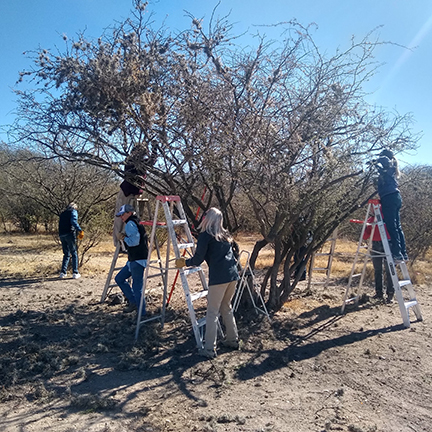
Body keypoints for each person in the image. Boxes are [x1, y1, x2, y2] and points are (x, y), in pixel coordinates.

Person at [175, 207, 240, 359]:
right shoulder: (224, 235)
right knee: (226, 307)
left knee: (212, 312)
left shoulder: (206, 235)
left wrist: (184, 262)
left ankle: (209, 348)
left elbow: (198, 259)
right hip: (232, 276)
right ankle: (232, 340)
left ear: (207, 218)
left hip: (219, 278)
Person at [113, 145, 157, 248]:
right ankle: (118, 243)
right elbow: (149, 163)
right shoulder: (131, 161)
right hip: (126, 193)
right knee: (121, 217)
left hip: (134, 194)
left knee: (130, 219)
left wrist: (155, 149)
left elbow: (150, 162)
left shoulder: (139, 162)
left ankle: (126, 242)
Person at [114, 204, 149, 313]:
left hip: (137, 259)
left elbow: (134, 242)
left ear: (129, 213)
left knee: (137, 287)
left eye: (123, 214)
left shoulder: (130, 224)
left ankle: (141, 313)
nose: (121, 217)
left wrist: (124, 238)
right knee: (119, 278)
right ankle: (134, 302)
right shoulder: (137, 222)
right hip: (135, 258)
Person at [375, 149, 408, 264]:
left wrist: (374, 161)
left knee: (391, 226)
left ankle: (397, 254)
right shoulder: (391, 169)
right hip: (396, 197)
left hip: (389, 198)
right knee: (397, 226)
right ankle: (403, 253)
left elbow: (383, 160)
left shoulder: (388, 164)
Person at [363, 215, 394, 303]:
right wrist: (366, 226)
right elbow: (365, 236)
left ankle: (390, 294)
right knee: (377, 269)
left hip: (387, 243)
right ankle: (379, 293)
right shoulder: (370, 220)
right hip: (375, 244)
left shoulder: (386, 217)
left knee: (389, 270)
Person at [58, 202, 83, 279]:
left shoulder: (63, 213)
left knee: (66, 253)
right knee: (74, 252)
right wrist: (80, 230)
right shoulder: (73, 212)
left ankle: (63, 272)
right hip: (69, 233)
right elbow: (73, 221)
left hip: (61, 234)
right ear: (74, 207)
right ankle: (75, 272)